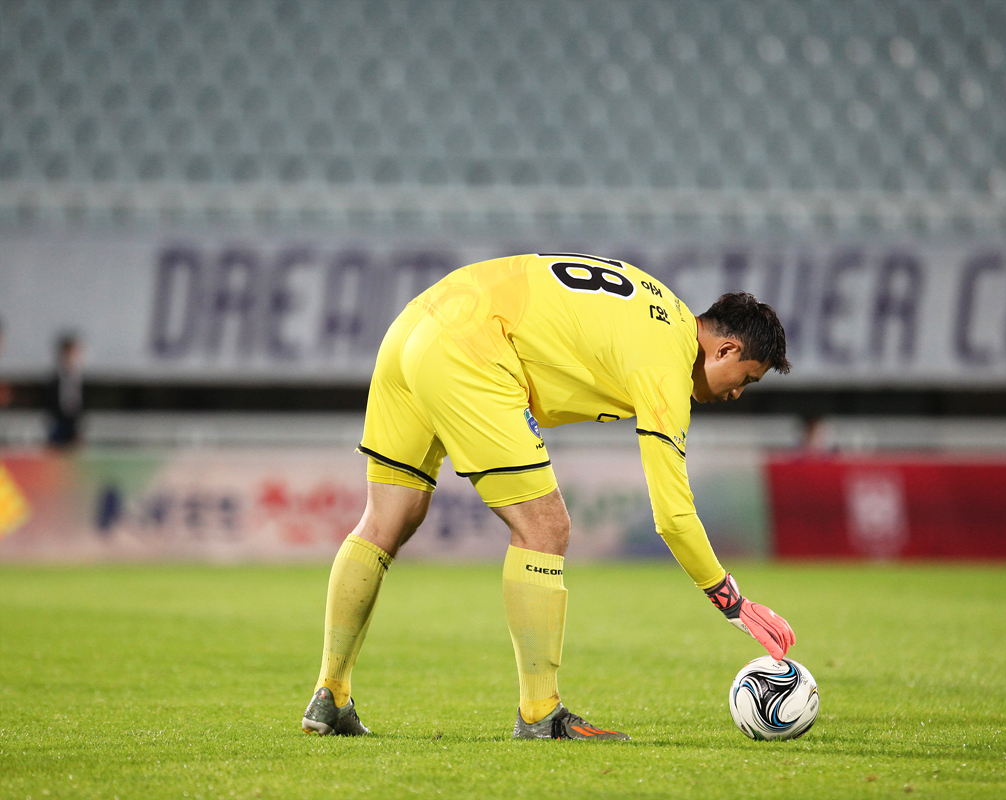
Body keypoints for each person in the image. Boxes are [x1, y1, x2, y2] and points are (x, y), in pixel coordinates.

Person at [301, 253, 795, 740]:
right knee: (545, 527)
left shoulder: (658, 304)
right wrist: (730, 600)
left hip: (416, 324)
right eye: (747, 379)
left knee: (387, 519)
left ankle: (331, 694)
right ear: (726, 349)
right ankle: (541, 712)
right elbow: (672, 514)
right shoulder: (668, 359)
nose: (738, 394)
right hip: (471, 345)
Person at [47, 333, 84, 448]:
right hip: (58, 425)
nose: (70, 358)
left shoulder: (81, 380)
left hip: (75, 426)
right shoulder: (53, 380)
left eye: (73, 354)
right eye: (67, 354)